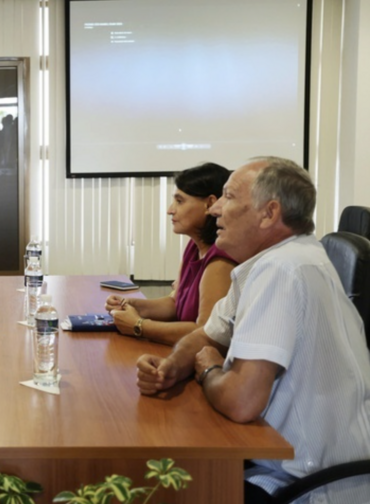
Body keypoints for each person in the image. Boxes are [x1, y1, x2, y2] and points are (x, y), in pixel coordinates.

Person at [136, 157, 370, 503]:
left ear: (268, 213)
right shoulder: (264, 263)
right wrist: (172, 366)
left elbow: (240, 400)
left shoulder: (282, 269)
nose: (215, 210)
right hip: (279, 463)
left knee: (157, 487)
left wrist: (208, 369)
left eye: (228, 197)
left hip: (306, 485)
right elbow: (208, 334)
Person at [106, 163, 237, 345]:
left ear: (210, 204)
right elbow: (175, 304)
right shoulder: (194, 246)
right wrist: (130, 304)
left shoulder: (221, 259)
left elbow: (206, 333)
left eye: (180, 201)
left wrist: (139, 325)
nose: (170, 209)